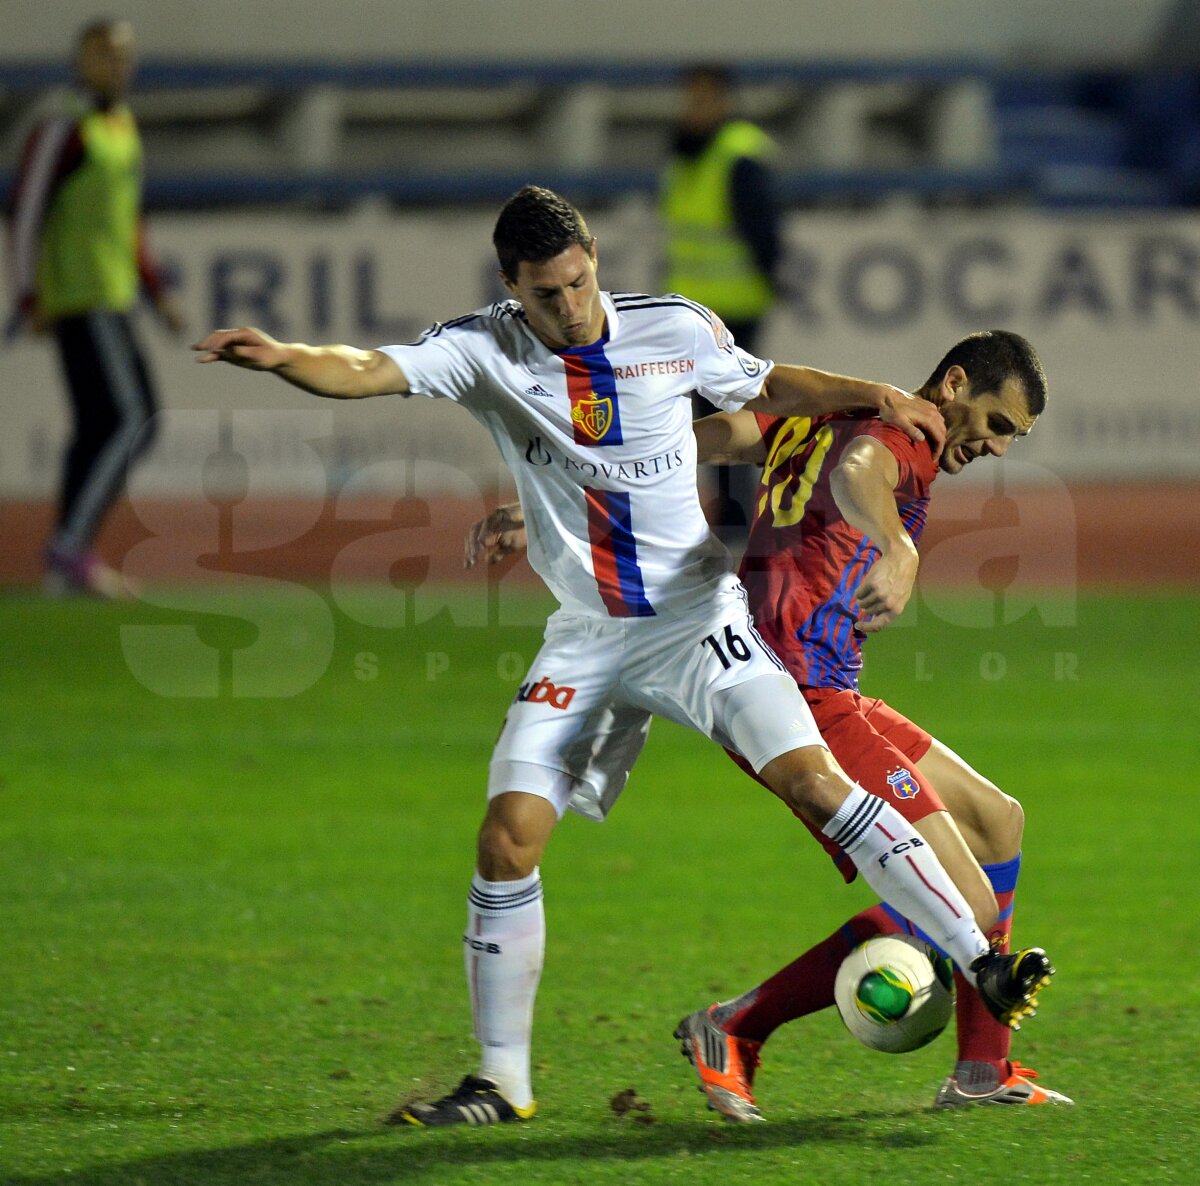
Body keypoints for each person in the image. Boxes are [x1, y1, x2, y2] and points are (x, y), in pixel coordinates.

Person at [194, 186, 1052, 1128]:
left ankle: (980, 1030)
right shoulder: (486, 349)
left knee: (931, 807)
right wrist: (285, 360)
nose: (566, 306)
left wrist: (863, 394)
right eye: (543, 293)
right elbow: (367, 366)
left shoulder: (678, 332)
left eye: (576, 282)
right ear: (510, 287)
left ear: (595, 257)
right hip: (639, 641)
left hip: (707, 624)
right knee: (509, 836)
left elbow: (741, 411)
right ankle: (545, 1073)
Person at [468, 330, 1069, 1116]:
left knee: (998, 824)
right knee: (967, 906)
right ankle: (737, 1027)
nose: (992, 446)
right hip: (794, 696)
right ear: (955, 384)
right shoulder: (905, 434)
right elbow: (863, 476)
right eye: (994, 423)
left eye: (1009, 439)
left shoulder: (833, 410)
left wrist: (566, 499)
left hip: (825, 685)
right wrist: (898, 546)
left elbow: (708, 439)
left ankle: (983, 1073)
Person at [7, 18, 182, 597]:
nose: (115, 65)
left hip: (113, 296)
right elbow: (27, 206)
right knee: (131, 418)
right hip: (80, 298)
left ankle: (68, 551)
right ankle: (67, 548)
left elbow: (126, 220)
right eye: (103, 54)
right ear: (81, 60)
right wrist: (30, 292)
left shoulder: (121, 126)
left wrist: (156, 293)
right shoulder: (67, 125)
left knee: (100, 425)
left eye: (123, 55)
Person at [661, 63, 781, 539]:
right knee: (707, 417)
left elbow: (765, 235)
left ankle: (737, 520)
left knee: (731, 417)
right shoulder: (686, 153)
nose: (693, 106)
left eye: (703, 97)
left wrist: (765, 284)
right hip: (691, 312)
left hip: (732, 310)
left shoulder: (738, 155)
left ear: (723, 101)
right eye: (690, 96)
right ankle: (730, 516)